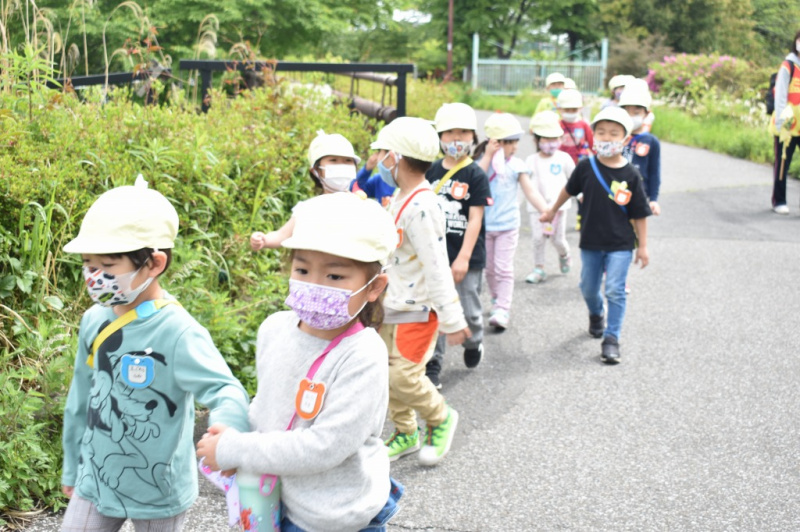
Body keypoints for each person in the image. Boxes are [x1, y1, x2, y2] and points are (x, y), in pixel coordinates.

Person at [196, 192, 403, 531]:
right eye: (302, 269)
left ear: (374, 286)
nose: (314, 284)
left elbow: (325, 446)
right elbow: (267, 405)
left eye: (334, 277)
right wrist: (235, 439)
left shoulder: (363, 355)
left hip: (334, 516)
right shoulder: (274, 328)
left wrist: (238, 449)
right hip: (278, 499)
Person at [60, 176, 250, 531]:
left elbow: (225, 389)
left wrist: (227, 430)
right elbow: (80, 397)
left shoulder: (178, 332)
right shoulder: (93, 320)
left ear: (154, 263)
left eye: (108, 266)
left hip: (159, 490)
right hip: (95, 479)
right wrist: (72, 466)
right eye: (88, 264)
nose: (94, 277)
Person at [376, 116, 471, 465]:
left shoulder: (422, 206)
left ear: (396, 157)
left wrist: (452, 319)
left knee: (404, 376)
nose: (379, 160)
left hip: (417, 309)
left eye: (383, 153)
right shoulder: (400, 198)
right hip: (391, 304)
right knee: (386, 375)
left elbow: (436, 266)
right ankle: (406, 432)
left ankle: (440, 416)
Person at [540, 107, 652, 364]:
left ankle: (612, 338)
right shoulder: (586, 167)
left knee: (615, 289)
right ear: (593, 136)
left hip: (621, 244)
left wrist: (643, 246)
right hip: (591, 241)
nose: (606, 138)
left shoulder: (631, 174)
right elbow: (568, 190)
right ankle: (596, 313)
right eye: (601, 132)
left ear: (625, 139)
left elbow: (640, 214)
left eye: (613, 133)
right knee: (588, 288)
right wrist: (552, 211)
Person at [425, 103, 492, 388]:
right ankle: (433, 363)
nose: (457, 139)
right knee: (436, 309)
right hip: (435, 256)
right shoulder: (429, 171)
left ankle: (473, 342)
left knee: (471, 312)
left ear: (473, 137)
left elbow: (475, 218)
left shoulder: (475, 174)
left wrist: (463, 257)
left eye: (463, 133)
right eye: (450, 132)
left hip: (467, 256)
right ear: (439, 137)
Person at [476, 112, 547, 330]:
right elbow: (476, 178)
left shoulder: (517, 165)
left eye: (516, 141)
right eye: (509, 142)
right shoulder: (482, 163)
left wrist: (546, 210)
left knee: (503, 268)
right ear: (494, 142)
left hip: (508, 226)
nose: (514, 147)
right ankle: (496, 298)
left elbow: (530, 191)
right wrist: (488, 155)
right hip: (484, 226)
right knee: (489, 269)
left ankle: (502, 308)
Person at [250, 130, 361, 250]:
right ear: (316, 171)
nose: (341, 165)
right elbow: (282, 235)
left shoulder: (361, 205)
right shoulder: (308, 209)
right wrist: (264, 239)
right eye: (333, 160)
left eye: (348, 161)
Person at [524, 110, 577, 284]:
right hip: (537, 209)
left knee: (557, 239)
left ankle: (564, 254)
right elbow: (525, 184)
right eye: (546, 140)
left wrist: (581, 195)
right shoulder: (530, 161)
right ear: (537, 140)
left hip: (558, 208)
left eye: (555, 139)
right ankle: (539, 268)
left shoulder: (564, 158)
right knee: (538, 239)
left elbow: (575, 180)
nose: (551, 143)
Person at [620, 78, 662, 215]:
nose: (631, 116)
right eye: (627, 112)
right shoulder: (616, 138)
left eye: (636, 113)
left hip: (640, 195)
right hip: (614, 193)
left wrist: (653, 199)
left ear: (647, 114)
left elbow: (654, 172)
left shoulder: (651, 141)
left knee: (637, 226)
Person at [769, 30, 800, 215]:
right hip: (788, 124)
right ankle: (779, 201)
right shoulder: (788, 66)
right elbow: (780, 96)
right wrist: (781, 124)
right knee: (782, 163)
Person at [556, 88, 594, 231]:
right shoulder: (557, 125)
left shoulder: (584, 125)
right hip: (560, 165)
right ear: (560, 109)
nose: (570, 113)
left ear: (580, 109)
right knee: (560, 191)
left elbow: (592, 144)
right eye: (567, 110)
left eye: (574, 110)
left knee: (581, 193)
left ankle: (581, 217)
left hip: (579, 165)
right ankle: (554, 217)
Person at [350, 129, 396, 206]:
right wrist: (366, 169)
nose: (377, 156)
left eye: (379, 151)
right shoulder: (380, 179)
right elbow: (356, 189)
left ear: (391, 155)